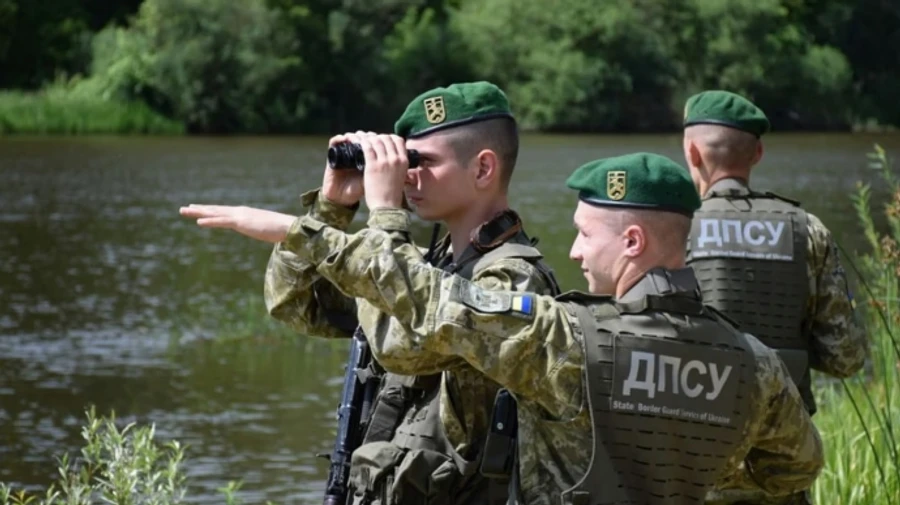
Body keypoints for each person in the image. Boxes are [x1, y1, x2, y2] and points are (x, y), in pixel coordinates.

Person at [237, 149, 824, 505]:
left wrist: (303, 232)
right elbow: (794, 467)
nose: (573, 250)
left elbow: (440, 302)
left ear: (633, 242)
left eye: (585, 234)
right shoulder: (752, 361)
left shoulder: (568, 339)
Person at [181, 81, 560, 505]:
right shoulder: (417, 268)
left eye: (422, 161)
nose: (406, 174)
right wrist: (331, 208)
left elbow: (406, 346)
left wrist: (382, 214)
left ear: (483, 169)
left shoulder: (516, 281)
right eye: (403, 160)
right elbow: (294, 303)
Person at [681, 90, 867, 504]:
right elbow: (847, 356)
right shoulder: (807, 230)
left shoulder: (673, 229)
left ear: (692, 153)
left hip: (695, 462)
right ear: (758, 153)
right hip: (780, 463)